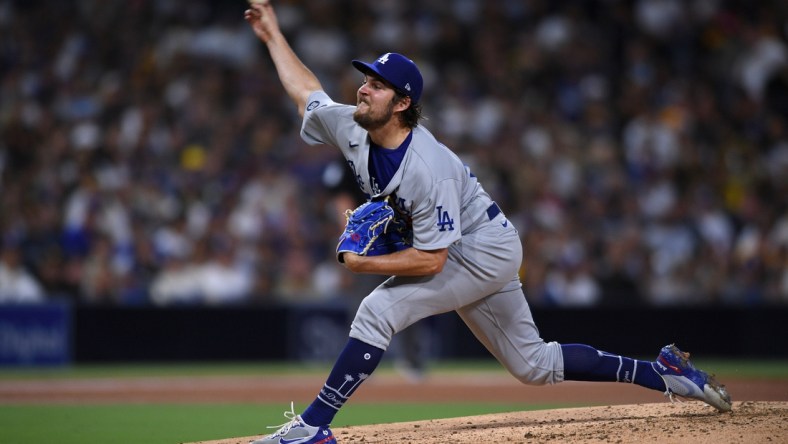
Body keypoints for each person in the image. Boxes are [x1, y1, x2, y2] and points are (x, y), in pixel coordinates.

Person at [243, 2, 732, 443]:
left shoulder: (425, 167)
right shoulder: (352, 125)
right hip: (474, 243)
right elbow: (307, 91)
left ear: (402, 103)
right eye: (366, 79)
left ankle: (313, 427)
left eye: (376, 84)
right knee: (534, 365)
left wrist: (360, 263)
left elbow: (432, 261)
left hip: (478, 250)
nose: (363, 88)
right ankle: (663, 373)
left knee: (377, 310)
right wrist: (272, 36)